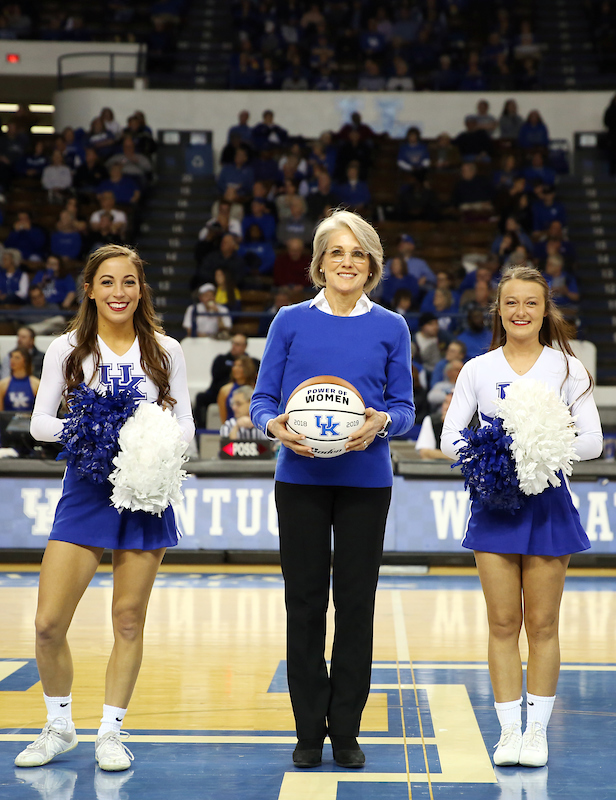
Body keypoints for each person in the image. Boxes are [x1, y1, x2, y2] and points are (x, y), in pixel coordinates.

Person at [250, 209, 414, 770]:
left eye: (358, 254)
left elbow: (405, 409)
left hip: (366, 481)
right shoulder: (289, 321)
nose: (347, 262)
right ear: (319, 263)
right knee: (304, 605)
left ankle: (345, 729)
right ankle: (307, 731)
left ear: (372, 265)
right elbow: (261, 401)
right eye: (336, 253)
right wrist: (274, 426)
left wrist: (381, 423)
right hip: (299, 480)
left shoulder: (391, 326)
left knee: (356, 606)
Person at [20, 244, 194, 772]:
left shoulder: (166, 350)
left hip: (145, 491)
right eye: (108, 282)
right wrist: (96, 432)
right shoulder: (67, 349)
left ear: (141, 291)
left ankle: (111, 734)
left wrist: (153, 442)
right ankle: (58, 725)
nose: (119, 292)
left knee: (127, 621)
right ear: (90, 290)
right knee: (49, 623)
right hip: (86, 488)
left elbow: (186, 426)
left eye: (129, 283)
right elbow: (39, 424)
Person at [439, 265, 601, 768]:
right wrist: (495, 456)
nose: (521, 312)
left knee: (544, 625)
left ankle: (538, 734)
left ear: (544, 310)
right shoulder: (478, 369)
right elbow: (449, 438)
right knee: (503, 622)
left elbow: (593, 441)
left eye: (531, 303)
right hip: (496, 503)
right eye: (511, 303)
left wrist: (539, 448)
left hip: (549, 502)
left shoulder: (566, 369)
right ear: (499, 310)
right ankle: (509, 732)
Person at [0, 347, 40, 417]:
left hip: (30, 424)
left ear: (25, 361)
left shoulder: (36, 384)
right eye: (11, 357)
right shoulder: (2, 384)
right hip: (8, 425)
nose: (12, 360)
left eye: (17, 358)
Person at [216, 355, 257, 429]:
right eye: (234, 365)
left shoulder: (256, 389)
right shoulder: (224, 390)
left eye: (240, 366)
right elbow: (223, 416)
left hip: (254, 429)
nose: (235, 368)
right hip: (231, 428)